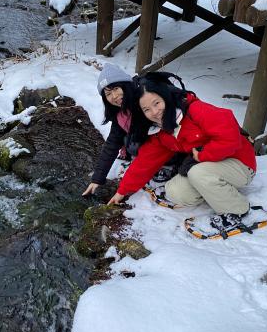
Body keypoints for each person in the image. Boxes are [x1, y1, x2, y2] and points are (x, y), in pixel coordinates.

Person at [108, 73, 257, 226]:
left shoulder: (195, 110)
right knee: (175, 191)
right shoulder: (161, 131)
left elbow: (230, 137)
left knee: (197, 172)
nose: (154, 112)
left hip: (240, 163)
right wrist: (122, 191)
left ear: (166, 97)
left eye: (157, 103)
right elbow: (145, 162)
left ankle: (237, 210)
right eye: (146, 109)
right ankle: (216, 192)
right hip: (210, 167)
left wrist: (202, 156)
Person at [82, 63, 137, 196]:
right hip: (151, 152)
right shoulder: (121, 115)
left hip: (170, 149)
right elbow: (111, 145)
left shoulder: (145, 101)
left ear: (125, 85)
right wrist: (97, 179)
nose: (114, 96)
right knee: (126, 140)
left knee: (133, 144)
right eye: (108, 93)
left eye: (116, 88)